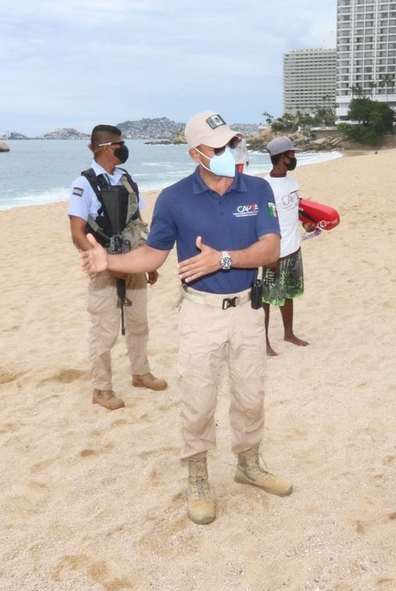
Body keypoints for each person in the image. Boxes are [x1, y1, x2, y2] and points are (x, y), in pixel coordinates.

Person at [79, 111, 292, 525]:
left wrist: (223, 260)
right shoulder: (174, 198)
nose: (230, 152)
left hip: (248, 310)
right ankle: (197, 475)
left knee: (252, 396)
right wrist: (111, 260)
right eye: (219, 147)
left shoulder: (257, 187)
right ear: (196, 153)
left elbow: (271, 249)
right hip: (200, 314)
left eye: (232, 143)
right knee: (198, 400)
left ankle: (249, 465)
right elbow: (153, 255)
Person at [67, 124, 167, 411]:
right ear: (108, 147)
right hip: (103, 266)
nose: (124, 148)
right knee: (104, 330)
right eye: (121, 143)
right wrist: (106, 264)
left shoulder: (126, 179)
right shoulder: (83, 183)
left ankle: (140, 373)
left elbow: (138, 222)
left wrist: (147, 260)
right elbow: (77, 233)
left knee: (139, 323)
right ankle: (101, 389)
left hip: (133, 260)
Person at [262, 136, 314, 356]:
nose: (294, 158)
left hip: (294, 248)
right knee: (266, 297)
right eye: (292, 154)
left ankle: (288, 333)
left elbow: (296, 208)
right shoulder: (265, 187)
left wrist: (306, 222)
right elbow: (264, 221)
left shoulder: (293, 182)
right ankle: (263, 341)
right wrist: (269, 254)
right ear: (282, 157)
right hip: (276, 252)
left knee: (288, 293)